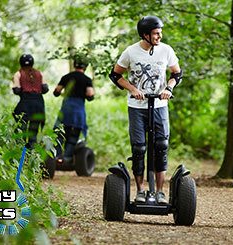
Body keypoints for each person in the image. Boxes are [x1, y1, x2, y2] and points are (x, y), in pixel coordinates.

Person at [109, 16, 182, 204]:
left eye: (160, 33)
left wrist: (169, 88)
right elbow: (115, 75)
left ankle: (159, 191)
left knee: (161, 146)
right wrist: (133, 89)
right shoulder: (130, 52)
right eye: (156, 33)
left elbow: (177, 73)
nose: (160, 36)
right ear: (145, 35)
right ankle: (140, 191)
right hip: (137, 107)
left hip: (160, 106)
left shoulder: (166, 50)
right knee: (139, 148)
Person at [52, 58, 94, 164]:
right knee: (74, 135)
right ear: (85, 67)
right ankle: (67, 158)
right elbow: (90, 94)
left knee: (60, 134)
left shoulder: (66, 77)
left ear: (74, 65)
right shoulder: (87, 79)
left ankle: (56, 157)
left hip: (66, 109)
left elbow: (57, 91)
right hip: (78, 111)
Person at [12, 54, 48, 149]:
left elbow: (17, 89)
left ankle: (21, 153)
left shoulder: (18, 74)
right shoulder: (39, 73)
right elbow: (45, 88)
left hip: (25, 103)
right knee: (33, 132)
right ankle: (31, 154)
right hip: (38, 104)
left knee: (21, 130)